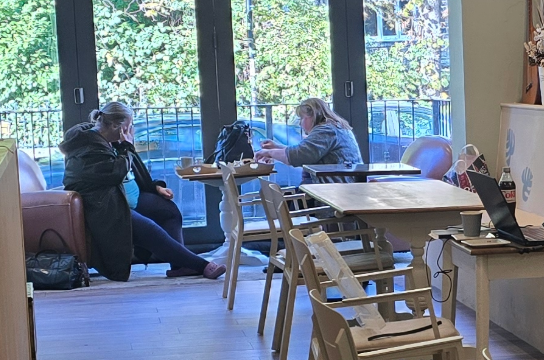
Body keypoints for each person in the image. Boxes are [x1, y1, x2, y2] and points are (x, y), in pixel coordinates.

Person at [60, 102, 225, 282]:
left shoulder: (110, 140)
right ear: (118, 127)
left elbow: (133, 171)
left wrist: (155, 187)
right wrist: (127, 147)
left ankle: (181, 266)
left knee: (168, 211)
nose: (131, 130)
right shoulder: (87, 147)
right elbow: (115, 173)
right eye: (129, 126)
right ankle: (202, 266)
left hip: (125, 198)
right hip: (105, 207)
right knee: (150, 229)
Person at [255, 97, 363, 168]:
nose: (300, 123)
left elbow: (300, 155)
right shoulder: (332, 127)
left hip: (336, 189)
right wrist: (276, 147)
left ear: (313, 116)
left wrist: (268, 152)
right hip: (338, 185)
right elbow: (304, 151)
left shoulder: (327, 130)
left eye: (302, 118)